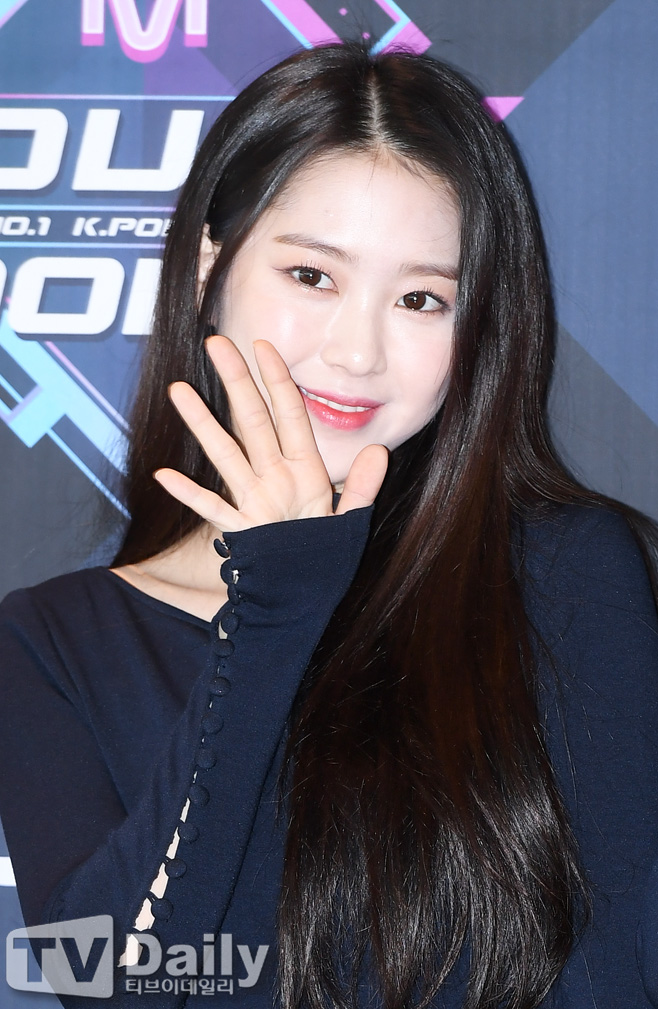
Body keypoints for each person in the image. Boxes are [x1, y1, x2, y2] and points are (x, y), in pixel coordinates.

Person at [1, 40, 658, 1009]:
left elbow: (620, 966)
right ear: (210, 267)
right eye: (312, 276)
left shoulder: (562, 570)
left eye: (421, 298)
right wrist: (272, 610)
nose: (357, 352)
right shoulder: (52, 641)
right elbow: (106, 979)